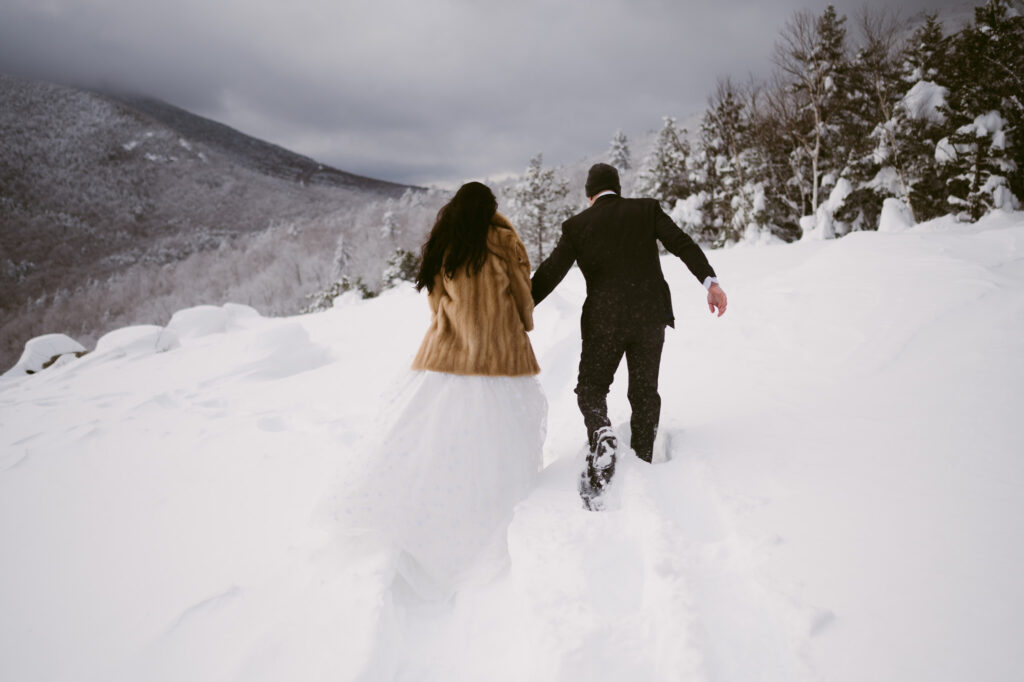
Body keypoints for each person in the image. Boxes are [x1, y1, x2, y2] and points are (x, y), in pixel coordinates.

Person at [326, 182, 546, 599]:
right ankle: (487, 526)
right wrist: (522, 322)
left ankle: (427, 520)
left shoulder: (447, 243)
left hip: (448, 354)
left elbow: (435, 300)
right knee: (496, 447)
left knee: (436, 443)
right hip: (500, 357)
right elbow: (523, 294)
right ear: (490, 209)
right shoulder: (504, 241)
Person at [531, 163, 727, 510]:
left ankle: (601, 432)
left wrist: (520, 309)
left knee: (591, 388)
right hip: (650, 314)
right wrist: (710, 282)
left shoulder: (578, 226)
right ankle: (643, 457)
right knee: (644, 390)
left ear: (590, 195)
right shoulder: (645, 209)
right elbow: (682, 244)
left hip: (604, 320)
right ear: (617, 188)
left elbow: (550, 273)